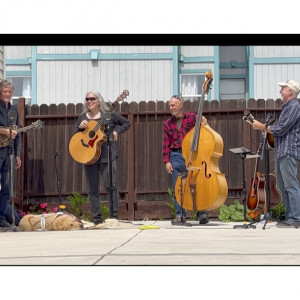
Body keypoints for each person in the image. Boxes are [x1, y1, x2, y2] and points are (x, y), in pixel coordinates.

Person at [72, 91, 131, 224]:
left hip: (106, 155)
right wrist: (80, 129)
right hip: (88, 156)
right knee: (92, 189)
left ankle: (113, 216)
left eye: (92, 98)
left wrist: (116, 131)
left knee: (110, 186)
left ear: (99, 101)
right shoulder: (82, 117)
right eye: (87, 99)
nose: (89, 101)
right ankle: (97, 218)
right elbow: (75, 137)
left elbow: (126, 123)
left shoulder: (108, 115)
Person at [251, 80, 300, 228]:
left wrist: (262, 126)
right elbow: (279, 129)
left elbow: (281, 129)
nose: (280, 91)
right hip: (281, 151)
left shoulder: (294, 107)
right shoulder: (288, 107)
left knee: (290, 184)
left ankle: (296, 218)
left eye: (283, 88)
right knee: (281, 184)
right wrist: (265, 128)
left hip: (288, 151)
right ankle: (290, 215)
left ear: (290, 91)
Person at [162, 95, 209, 224]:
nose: (171, 108)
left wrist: (203, 121)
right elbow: (165, 144)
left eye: (173, 105)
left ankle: (202, 213)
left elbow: (203, 126)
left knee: (197, 183)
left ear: (180, 104)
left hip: (193, 154)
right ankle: (180, 215)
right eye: (170, 105)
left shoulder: (192, 118)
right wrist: (167, 161)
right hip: (176, 155)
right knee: (178, 185)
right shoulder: (167, 123)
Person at [0, 79, 22, 230]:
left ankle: (1, 219)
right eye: (4, 91)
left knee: (6, 188)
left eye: (9, 91)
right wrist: (5, 131)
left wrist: (18, 154)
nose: (7, 94)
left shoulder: (14, 110)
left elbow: (18, 134)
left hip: (9, 153)